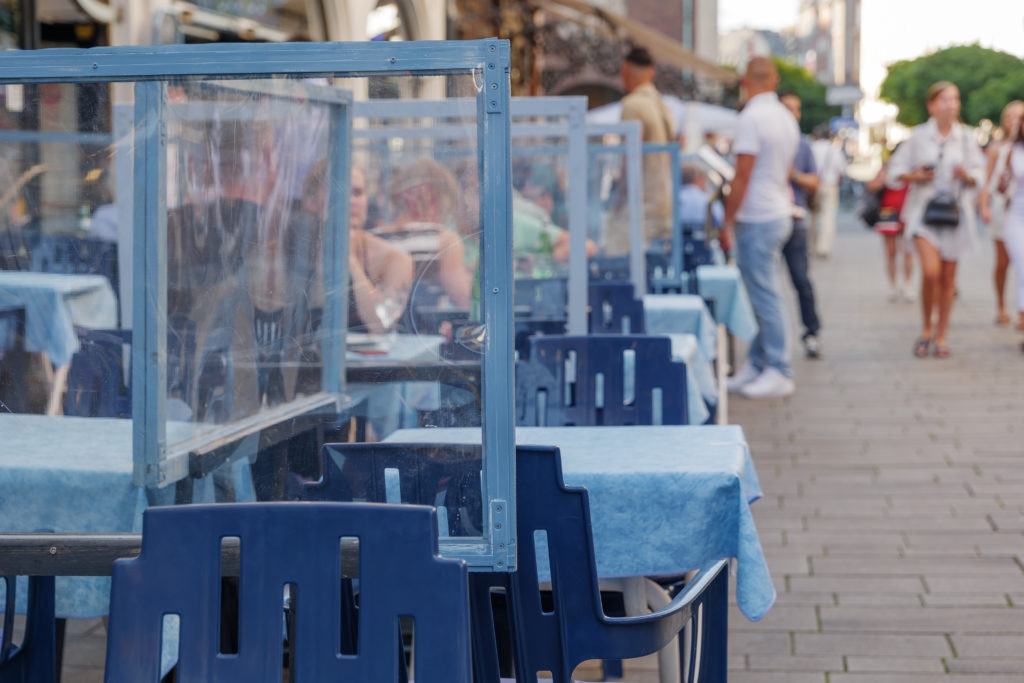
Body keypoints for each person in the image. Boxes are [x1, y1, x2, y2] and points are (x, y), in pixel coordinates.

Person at [720, 56, 800, 399]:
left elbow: (742, 176)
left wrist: (726, 219)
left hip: (757, 215)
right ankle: (758, 362)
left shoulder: (751, 118)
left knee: (764, 294)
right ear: (775, 79)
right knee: (759, 294)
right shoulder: (784, 115)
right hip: (777, 210)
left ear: (744, 81)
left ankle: (778, 368)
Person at [887, 81, 984, 358]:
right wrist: (915, 175)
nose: (950, 105)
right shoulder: (918, 136)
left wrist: (967, 175)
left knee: (948, 279)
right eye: (943, 99)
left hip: (955, 215)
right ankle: (925, 328)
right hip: (924, 214)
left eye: (954, 99)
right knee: (931, 273)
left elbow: (980, 174)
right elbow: (895, 171)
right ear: (931, 105)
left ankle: (940, 334)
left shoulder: (966, 137)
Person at [373, 157, 471, 309]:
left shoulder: (372, 238)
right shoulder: (443, 240)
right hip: (424, 330)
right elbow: (463, 298)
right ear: (433, 197)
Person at [612, 45, 676, 253]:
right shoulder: (662, 105)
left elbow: (630, 161)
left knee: (613, 251)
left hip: (643, 205)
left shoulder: (633, 105)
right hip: (665, 205)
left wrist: (617, 204)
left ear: (624, 71)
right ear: (652, 73)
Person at [778, 91, 823, 359]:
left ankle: (811, 331)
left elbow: (814, 181)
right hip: (770, 217)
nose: (792, 114)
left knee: (801, 278)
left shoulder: (803, 145)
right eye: (787, 108)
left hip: (795, 218)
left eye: (796, 109)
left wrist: (793, 175)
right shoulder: (768, 141)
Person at [978, 100, 1024, 326]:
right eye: (1011, 117)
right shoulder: (998, 148)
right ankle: (1001, 305)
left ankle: (1021, 311)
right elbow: (987, 181)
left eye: (1019, 117)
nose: (1015, 121)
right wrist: (984, 206)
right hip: (1004, 208)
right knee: (1004, 262)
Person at [866, 149, 914, 302]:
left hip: (907, 212)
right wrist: (883, 179)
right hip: (888, 212)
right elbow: (871, 186)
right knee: (890, 252)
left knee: (907, 251)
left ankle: (907, 285)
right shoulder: (887, 168)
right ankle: (893, 286)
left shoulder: (912, 168)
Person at [809, 126, 846, 258]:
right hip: (830, 185)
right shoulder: (834, 149)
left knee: (812, 217)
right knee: (828, 216)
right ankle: (823, 248)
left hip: (812, 184)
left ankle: (811, 246)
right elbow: (841, 171)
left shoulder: (811, 147)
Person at [678, 163, 724, 229]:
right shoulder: (709, 201)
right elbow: (720, 220)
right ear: (699, 179)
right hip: (704, 237)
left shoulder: (672, 200)